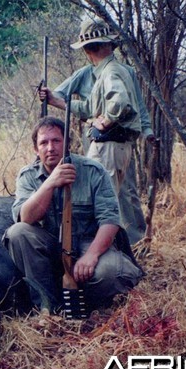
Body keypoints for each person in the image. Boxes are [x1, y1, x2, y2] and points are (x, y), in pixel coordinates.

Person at [2, 117, 143, 312]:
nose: (50, 148)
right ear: (36, 149)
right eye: (44, 143)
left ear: (66, 144)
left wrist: (91, 256)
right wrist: (50, 182)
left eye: (56, 141)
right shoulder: (27, 176)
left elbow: (110, 220)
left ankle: (90, 303)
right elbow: (25, 218)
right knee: (17, 232)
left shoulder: (93, 171)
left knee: (111, 273)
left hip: (88, 246)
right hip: (49, 249)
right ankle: (48, 307)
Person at [40, 18, 156, 244]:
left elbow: (122, 103)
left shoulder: (115, 71)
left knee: (107, 197)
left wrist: (108, 121)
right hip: (104, 142)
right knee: (103, 194)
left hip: (110, 143)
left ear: (89, 49)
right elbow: (84, 107)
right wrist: (54, 100)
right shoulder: (93, 72)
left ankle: (113, 247)